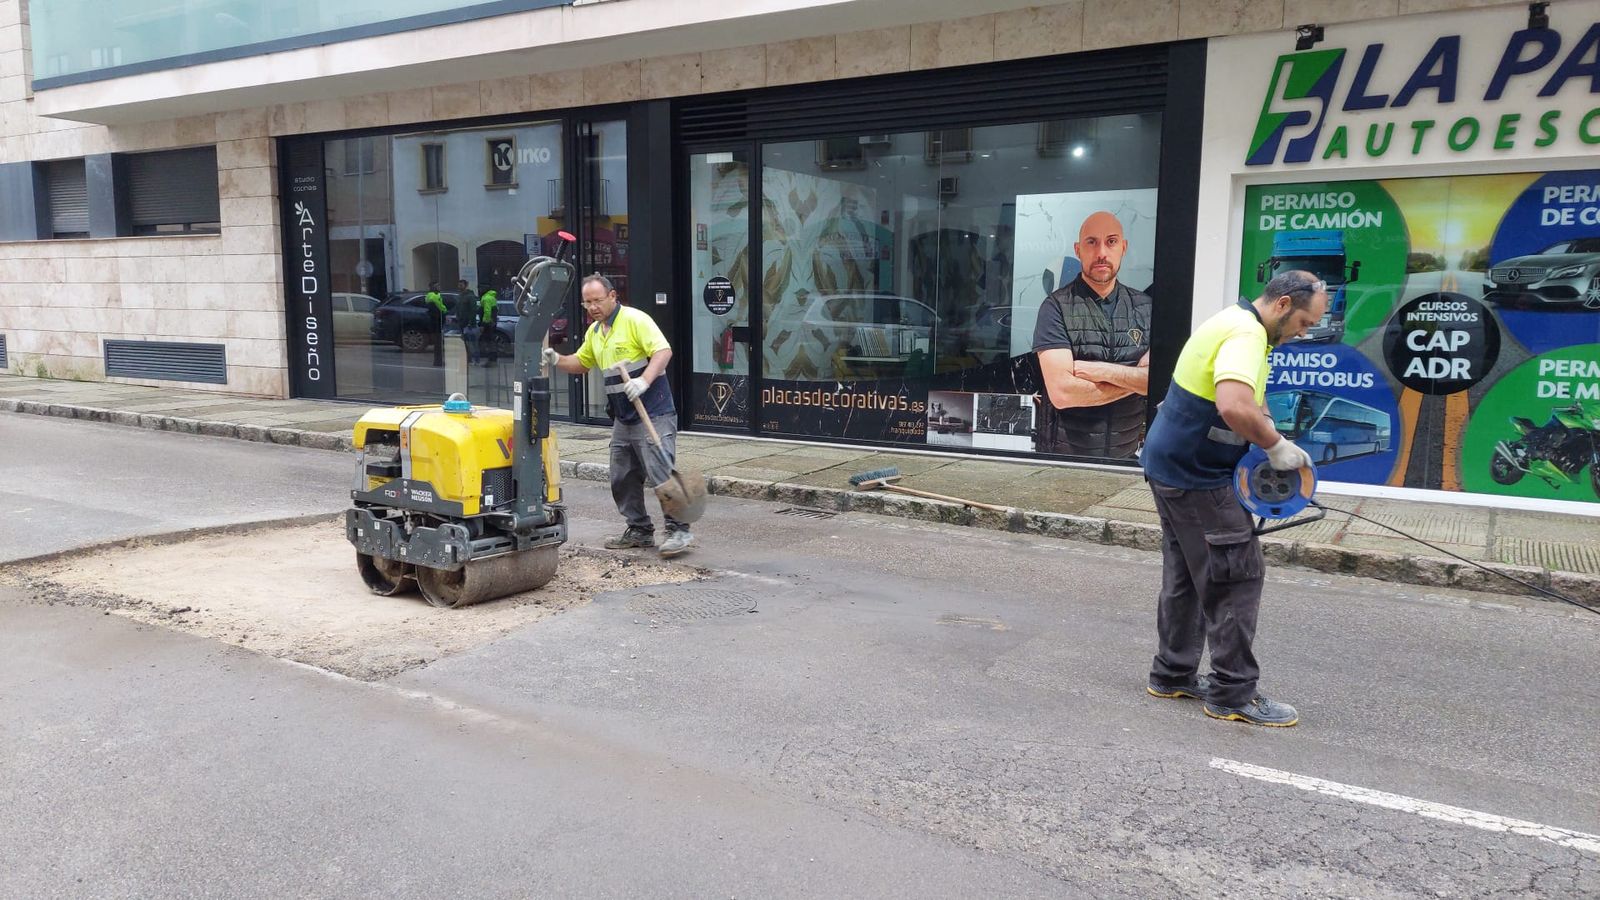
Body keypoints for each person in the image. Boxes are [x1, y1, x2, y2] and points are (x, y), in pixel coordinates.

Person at [1140, 271, 1328, 728]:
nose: (1303, 333)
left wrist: (1265, 431)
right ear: (1283, 304)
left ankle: (1173, 673)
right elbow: (1234, 406)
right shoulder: (1246, 335)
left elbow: (1250, 400)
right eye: (1304, 322)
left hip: (1169, 465)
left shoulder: (1237, 322)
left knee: (1186, 573)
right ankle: (1232, 692)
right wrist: (1275, 445)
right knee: (1235, 576)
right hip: (1196, 476)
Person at [542, 274, 694, 558]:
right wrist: (558, 360)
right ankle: (639, 529)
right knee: (621, 475)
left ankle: (679, 530)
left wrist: (644, 381)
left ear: (613, 296)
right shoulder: (596, 333)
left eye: (597, 301)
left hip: (654, 410)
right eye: (587, 302)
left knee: (661, 473)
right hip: (624, 417)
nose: (592, 307)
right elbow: (582, 362)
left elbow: (663, 351)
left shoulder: (636, 320)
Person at [1033, 211, 1153, 459]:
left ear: (1123, 247)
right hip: (1064, 460)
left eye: (1111, 241)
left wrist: (1099, 371)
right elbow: (1063, 393)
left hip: (1125, 458)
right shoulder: (1056, 307)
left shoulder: (1146, 308)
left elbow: (1156, 380)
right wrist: (1134, 380)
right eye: (1091, 242)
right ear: (1078, 250)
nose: (1101, 253)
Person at [453, 280, 480, 364]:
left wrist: (471, 322)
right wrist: (457, 317)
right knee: (465, 343)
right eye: (459, 285)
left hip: (469, 324)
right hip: (461, 323)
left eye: (461, 285)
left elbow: (473, 310)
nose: (460, 287)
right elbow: (458, 309)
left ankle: (476, 360)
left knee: (472, 343)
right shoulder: (460, 296)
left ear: (466, 285)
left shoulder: (470, 296)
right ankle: (468, 359)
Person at [423, 282, 447, 367]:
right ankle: (438, 361)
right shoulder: (434, 296)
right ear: (433, 287)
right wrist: (444, 312)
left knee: (438, 344)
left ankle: (438, 361)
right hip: (436, 323)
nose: (439, 287)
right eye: (437, 286)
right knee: (438, 344)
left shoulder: (432, 296)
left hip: (435, 323)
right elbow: (439, 308)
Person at [479, 286, 500, 366]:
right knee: (492, 342)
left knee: (488, 342)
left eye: (480, 288)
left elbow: (487, 312)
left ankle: (490, 360)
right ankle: (493, 359)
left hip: (488, 324)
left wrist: (483, 324)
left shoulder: (486, 298)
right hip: (492, 323)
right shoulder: (492, 297)